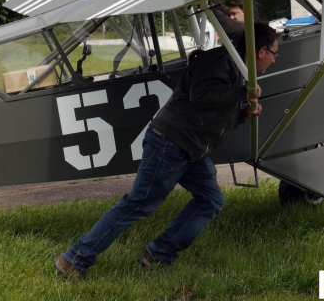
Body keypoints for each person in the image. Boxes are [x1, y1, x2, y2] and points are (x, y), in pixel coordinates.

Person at [54, 22, 280, 280]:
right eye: (274, 54)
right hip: (170, 144)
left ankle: (158, 254)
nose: (274, 61)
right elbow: (202, 95)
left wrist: (242, 113)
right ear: (261, 51)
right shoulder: (219, 61)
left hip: (190, 148)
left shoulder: (235, 68)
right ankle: (74, 259)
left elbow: (212, 113)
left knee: (211, 199)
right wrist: (243, 92)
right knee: (138, 205)